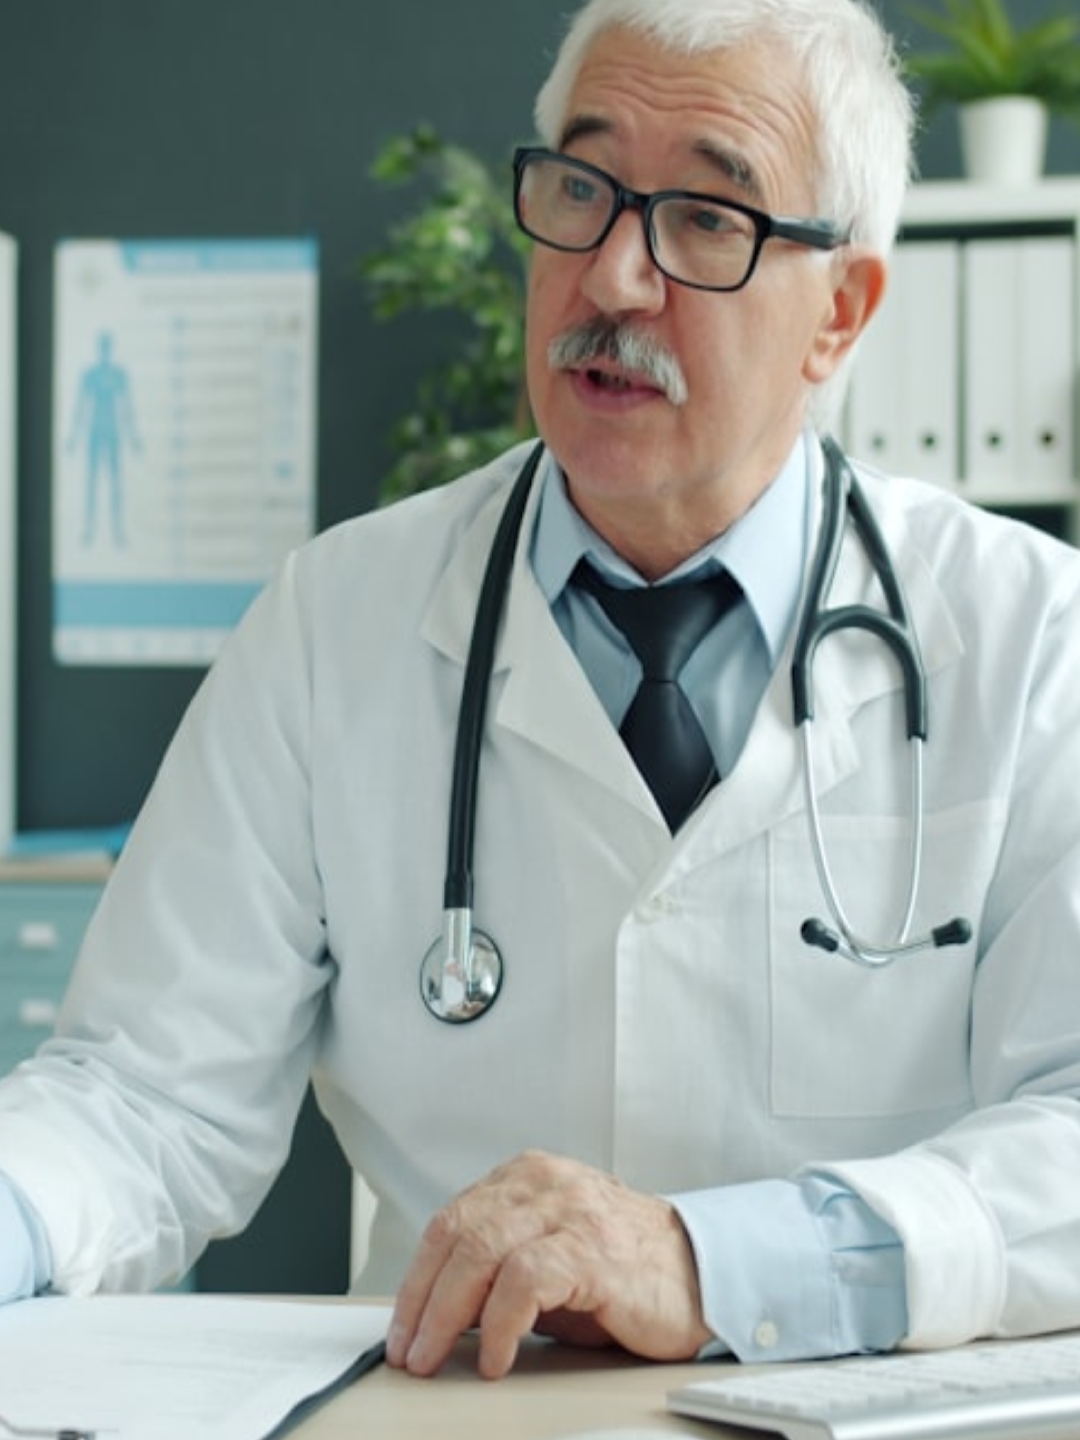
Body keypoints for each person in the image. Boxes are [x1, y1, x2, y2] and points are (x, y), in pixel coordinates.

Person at [3, 0, 1080, 1384]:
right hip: (455, 1416)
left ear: (841, 314)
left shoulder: (1033, 640)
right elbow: (141, 1097)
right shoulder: (336, 627)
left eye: (706, 216)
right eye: (582, 190)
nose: (616, 278)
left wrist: (712, 1261)